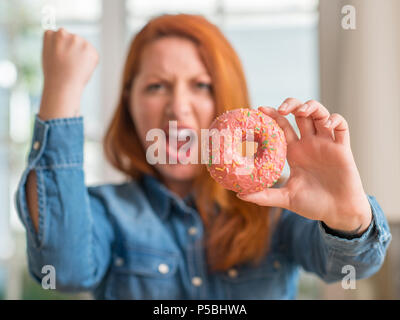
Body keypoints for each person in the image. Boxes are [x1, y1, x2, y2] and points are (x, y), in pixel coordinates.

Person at [15, 14, 391, 299]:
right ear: (128, 103)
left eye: (201, 86)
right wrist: (61, 90)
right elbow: (60, 268)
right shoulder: (106, 212)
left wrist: (347, 219)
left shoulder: (281, 209)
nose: (178, 109)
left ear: (226, 99)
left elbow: (351, 267)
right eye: (156, 86)